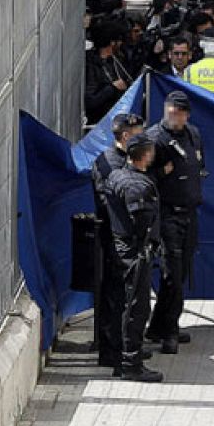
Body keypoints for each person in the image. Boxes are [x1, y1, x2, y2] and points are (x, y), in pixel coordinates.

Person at [145, 90, 204, 353]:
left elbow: (198, 165)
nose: (174, 116)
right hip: (167, 214)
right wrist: (161, 172)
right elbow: (142, 176)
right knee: (172, 274)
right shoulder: (155, 139)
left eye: (178, 113)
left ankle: (158, 325)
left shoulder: (192, 134)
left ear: (186, 115)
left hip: (189, 213)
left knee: (181, 273)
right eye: (170, 111)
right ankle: (169, 331)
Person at [104, 133, 164, 382]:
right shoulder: (136, 186)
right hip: (135, 252)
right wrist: (146, 244)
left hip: (121, 247)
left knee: (125, 305)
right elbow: (142, 222)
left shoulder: (116, 175)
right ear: (146, 154)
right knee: (137, 308)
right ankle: (131, 363)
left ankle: (123, 359)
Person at [93, 113, 146, 372]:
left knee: (124, 295)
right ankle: (114, 352)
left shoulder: (122, 161)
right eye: (138, 133)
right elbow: (111, 203)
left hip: (122, 236)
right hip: (115, 238)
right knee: (117, 296)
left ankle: (121, 347)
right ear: (126, 136)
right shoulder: (109, 164)